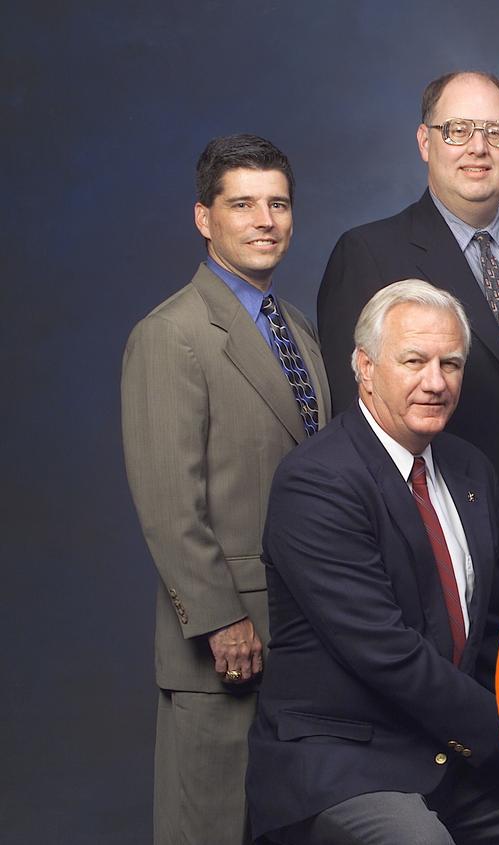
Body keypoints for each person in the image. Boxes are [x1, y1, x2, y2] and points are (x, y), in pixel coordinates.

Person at [247, 280, 499, 844]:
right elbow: (388, 655)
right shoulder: (318, 481)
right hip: (350, 761)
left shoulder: (469, 470)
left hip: (454, 761)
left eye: (451, 363)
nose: (435, 382)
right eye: (414, 361)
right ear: (365, 368)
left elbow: (496, 631)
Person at [122, 134, 330, 843]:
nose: (264, 220)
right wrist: (219, 619)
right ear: (204, 218)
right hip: (223, 645)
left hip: (302, 638)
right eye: (242, 204)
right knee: (209, 829)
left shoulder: (296, 329)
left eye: (277, 203)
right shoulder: (171, 333)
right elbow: (169, 504)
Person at [316, 71, 499, 593]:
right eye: (458, 130)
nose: (479, 148)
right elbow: (352, 429)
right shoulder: (370, 254)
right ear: (425, 142)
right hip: (437, 552)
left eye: (497, 131)